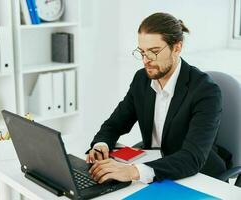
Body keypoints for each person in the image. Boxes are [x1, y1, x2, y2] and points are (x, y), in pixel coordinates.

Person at [86, 12, 226, 184]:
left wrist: (133, 171)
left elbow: (192, 157)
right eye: (142, 52)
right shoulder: (142, 80)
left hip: (198, 177)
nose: (146, 60)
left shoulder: (206, 91)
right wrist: (101, 145)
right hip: (155, 170)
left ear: (177, 47)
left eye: (154, 52)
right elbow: (114, 124)